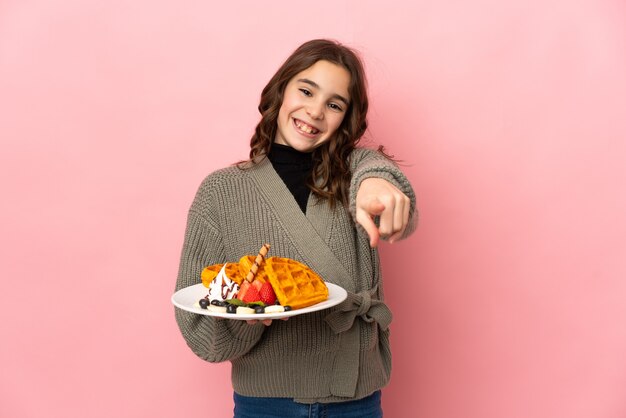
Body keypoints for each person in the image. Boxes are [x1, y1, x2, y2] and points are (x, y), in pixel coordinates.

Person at [174, 39, 417, 418]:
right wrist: (254, 315)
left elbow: (387, 190)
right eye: (306, 90)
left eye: (334, 104)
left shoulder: (357, 171)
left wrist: (378, 188)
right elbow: (201, 330)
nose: (316, 111)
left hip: (354, 400)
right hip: (265, 404)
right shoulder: (219, 192)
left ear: (346, 118)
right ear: (280, 89)